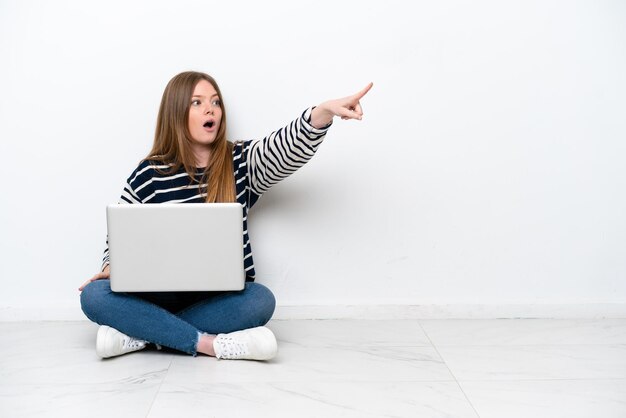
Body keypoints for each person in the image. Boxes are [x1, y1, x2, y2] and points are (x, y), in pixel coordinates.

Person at [79, 71, 373, 360]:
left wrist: (323, 112)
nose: (211, 109)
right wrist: (110, 265)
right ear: (175, 113)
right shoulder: (148, 174)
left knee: (260, 300)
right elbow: (120, 233)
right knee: (94, 295)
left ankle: (143, 334)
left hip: (217, 298)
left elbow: (283, 148)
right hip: (158, 296)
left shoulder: (241, 161)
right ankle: (208, 343)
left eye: (215, 102)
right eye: (197, 102)